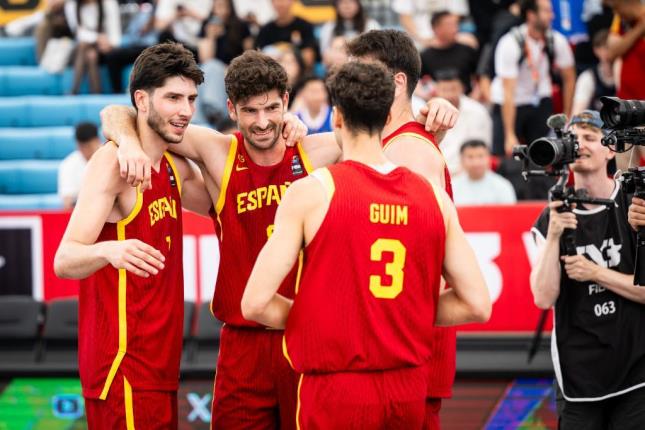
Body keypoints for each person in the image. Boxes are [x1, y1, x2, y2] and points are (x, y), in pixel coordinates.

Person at [101, 48, 458, 430]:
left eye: (271, 108)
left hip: (301, 338)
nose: (262, 122)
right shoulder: (217, 150)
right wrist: (130, 144)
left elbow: (386, 133)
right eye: (250, 111)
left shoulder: (319, 149)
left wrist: (433, 116)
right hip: (242, 341)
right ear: (232, 109)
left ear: (287, 101)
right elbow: (125, 113)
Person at [241, 60, 491, 429]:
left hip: (336, 386)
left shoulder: (312, 191)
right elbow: (477, 304)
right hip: (407, 388)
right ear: (388, 116)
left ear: (337, 117)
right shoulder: (433, 197)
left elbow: (254, 303)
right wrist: (400, 314)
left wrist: (321, 318)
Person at [53, 42, 212, 429]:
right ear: (142, 99)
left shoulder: (174, 166)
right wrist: (110, 250)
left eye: (191, 99)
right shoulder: (112, 164)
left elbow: (223, 202)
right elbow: (64, 259)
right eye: (173, 98)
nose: (186, 110)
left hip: (159, 366)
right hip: (122, 368)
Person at [345, 29, 458, 429]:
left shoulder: (408, 149)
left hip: (406, 347)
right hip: (397, 343)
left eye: (363, 74)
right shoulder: (386, 140)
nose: (353, 85)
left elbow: (421, 257)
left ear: (396, 82)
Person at [530, 110, 645, 430]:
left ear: (610, 149)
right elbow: (543, 297)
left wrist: (595, 273)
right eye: (573, 138)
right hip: (579, 378)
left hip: (637, 373)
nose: (580, 144)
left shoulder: (634, 202)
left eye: (590, 137)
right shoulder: (551, 215)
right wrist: (554, 235)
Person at [491, 0, 576, 157]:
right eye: (546, 11)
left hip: (539, 98)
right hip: (510, 102)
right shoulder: (510, 43)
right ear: (531, 15)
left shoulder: (556, 40)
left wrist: (567, 115)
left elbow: (569, 77)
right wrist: (509, 134)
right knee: (507, 155)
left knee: (543, 154)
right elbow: (508, 91)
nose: (552, 16)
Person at [432, 69, 492, 176]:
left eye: (453, 89)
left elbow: (482, 148)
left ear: (462, 88)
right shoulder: (428, 112)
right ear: (436, 90)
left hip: (470, 172)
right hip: (437, 173)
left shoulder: (478, 112)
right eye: (444, 90)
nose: (449, 95)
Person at [65, 0, 121, 94]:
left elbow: (116, 36)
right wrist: (97, 38)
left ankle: (74, 90)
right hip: (81, 48)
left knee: (90, 53)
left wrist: (109, 44)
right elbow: (78, 34)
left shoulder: (109, 3)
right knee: (90, 53)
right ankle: (96, 93)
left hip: (105, 48)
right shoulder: (72, 4)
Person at [420, 11, 479, 94]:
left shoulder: (467, 50)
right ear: (435, 28)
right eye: (449, 25)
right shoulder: (424, 56)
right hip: (438, 98)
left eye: (456, 24)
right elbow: (419, 82)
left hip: (466, 97)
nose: (455, 29)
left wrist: (475, 95)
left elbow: (480, 77)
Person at [255, 0, 319, 71]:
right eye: (276, 0)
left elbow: (308, 59)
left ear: (293, 1)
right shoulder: (265, 30)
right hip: (272, 74)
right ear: (272, 2)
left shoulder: (305, 26)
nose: (281, 3)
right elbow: (258, 59)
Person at [452, 140, 516, 206]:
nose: (476, 162)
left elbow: (509, 211)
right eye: (470, 157)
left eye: (480, 156)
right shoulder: (453, 187)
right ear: (461, 160)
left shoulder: (502, 185)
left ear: (489, 158)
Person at [58, 122, 102, 210]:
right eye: (82, 147)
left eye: (89, 146)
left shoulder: (112, 158)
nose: (86, 151)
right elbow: (67, 203)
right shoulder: (68, 164)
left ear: (98, 141)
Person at [607, 0, 645, 101]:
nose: (615, 12)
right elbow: (611, 53)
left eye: (616, 8)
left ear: (628, 3)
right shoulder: (621, 19)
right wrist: (640, 28)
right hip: (626, 97)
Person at [572, 29, 616, 115]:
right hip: (596, 122)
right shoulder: (588, 77)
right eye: (606, 47)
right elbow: (577, 114)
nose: (611, 51)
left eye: (615, 47)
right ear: (596, 50)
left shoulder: (627, 75)